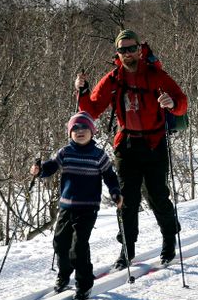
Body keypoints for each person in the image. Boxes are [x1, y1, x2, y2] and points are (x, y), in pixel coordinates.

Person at [75, 29, 187, 269]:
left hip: (155, 143)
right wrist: (82, 91)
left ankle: (169, 240)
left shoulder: (156, 75)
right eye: (122, 50)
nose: (127, 53)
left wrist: (173, 103)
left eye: (131, 48)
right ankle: (127, 248)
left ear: (140, 49)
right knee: (126, 200)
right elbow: (91, 111)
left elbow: (182, 102)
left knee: (158, 196)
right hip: (126, 145)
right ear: (118, 53)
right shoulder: (114, 79)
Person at [31, 111, 122, 300]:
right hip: (66, 206)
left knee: (78, 247)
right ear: (70, 133)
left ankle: (84, 284)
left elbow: (110, 176)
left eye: (84, 128)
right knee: (59, 243)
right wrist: (40, 170)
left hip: (87, 208)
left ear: (92, 131)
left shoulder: (99, 155)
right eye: (75, 129)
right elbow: (52, 166)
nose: (80, 132)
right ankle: (64, 275)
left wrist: (115, 192)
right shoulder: (65, 152)